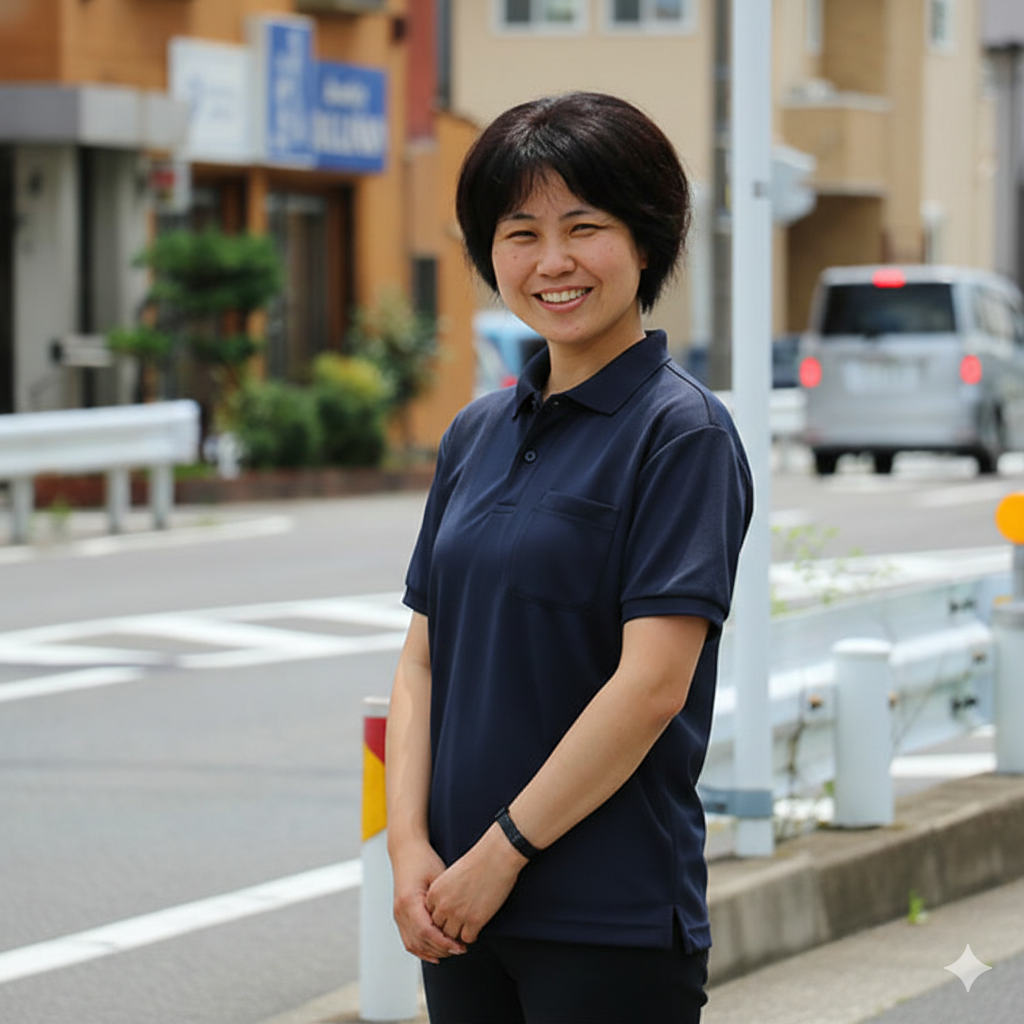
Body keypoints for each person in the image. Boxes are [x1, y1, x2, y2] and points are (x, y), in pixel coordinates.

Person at [385, 91, 753, 1024]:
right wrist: (409, 854)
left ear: (646, 240)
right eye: (520, 233)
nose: (552, 262)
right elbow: (425, 658)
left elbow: (651, 688)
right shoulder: (474, 433)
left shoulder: (681, 433)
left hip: (607, 915)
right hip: (455, 907)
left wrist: (499, 855)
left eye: (583, 227)